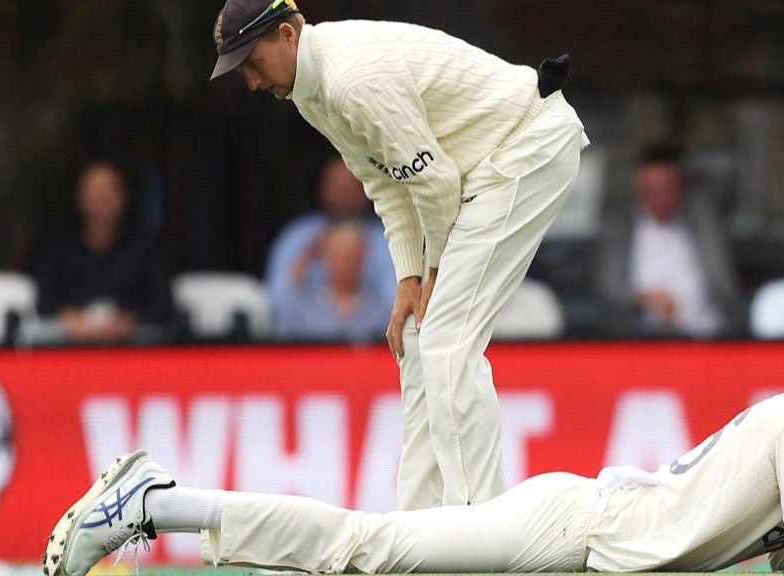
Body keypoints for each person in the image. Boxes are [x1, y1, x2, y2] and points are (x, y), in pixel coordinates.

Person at [209, 0, 587, 509]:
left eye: (253, 63)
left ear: (287, 35)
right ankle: (421, 523)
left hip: (525, 147)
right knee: (417, 334)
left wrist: (431, 272)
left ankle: (483, 531)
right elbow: (386, 185)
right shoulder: (310, 92)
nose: (252, 82)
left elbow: (434, 184)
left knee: (447, 340)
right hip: (479, 166)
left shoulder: (352, 81)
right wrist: (409, 281)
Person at [45, 389, 784, 576]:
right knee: (370, 548)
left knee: (367, 556)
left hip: (590, 550)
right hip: (574, 530)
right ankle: (153, 503)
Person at [598, 144, 743, 337]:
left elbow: (724, 283)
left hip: (707, 334)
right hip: (640, 338)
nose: (657, 198)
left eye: (664, 188)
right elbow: (610, 286)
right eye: (648, 190)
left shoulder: (703, 222)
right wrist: (642, 299)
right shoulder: (622, 229)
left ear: (680, 188)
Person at [34, 161, 172, 343]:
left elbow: (162, 303)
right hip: (69, 344)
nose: (101, 197)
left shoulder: (147, 250)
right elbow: (44, 301)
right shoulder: (59, 250)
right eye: (93, 191)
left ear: (123, 196)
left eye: (108, 190)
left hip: (133, 345)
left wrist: (129, 321)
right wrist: (70, 318)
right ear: (79, 197)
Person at [266, 155, 396, 314]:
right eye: (337, 186)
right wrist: (305, 260)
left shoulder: (388, 237)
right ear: (322, 190)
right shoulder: (298, 235)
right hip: (306, 332)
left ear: (366, 190)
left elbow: (396, 302)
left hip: (368, 331)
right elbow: (275, 303)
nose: (344, 194)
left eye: (351, 186)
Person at [272, 220, 392, 340]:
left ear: (363, 257)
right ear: (325, 256)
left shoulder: (381, 314)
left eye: (350, 255)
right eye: (337, 254)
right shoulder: (300, 310)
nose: (343, 262)